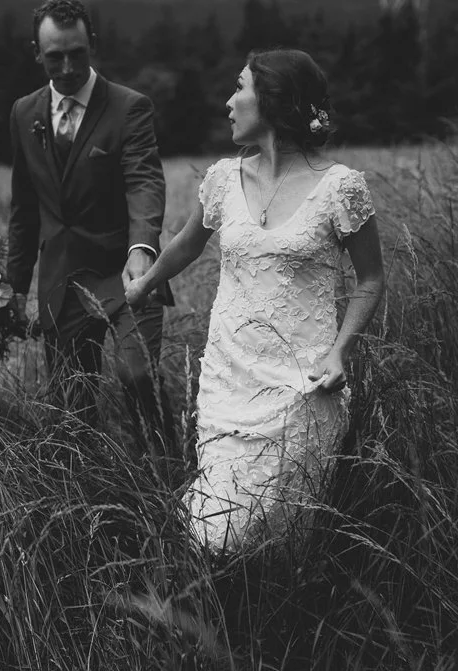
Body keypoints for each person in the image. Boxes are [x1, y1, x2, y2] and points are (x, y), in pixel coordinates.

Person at [126, 49, 385, 550]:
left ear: (271, 101)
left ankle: (285, 612)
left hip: (302, 390)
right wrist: (143, 283)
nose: (229, 102)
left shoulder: (341, 187)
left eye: (239, 87)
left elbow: (371, 280)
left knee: (272, 538)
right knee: (210, 535)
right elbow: (185, 243)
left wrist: (340, 352)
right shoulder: (223, 178)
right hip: (226, 382)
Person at [7, 0, 173, 444]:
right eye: (54, 56)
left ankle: (167, 471)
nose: (66, 68)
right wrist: (13, 288)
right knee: (72, 409)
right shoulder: (25, 113)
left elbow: (144, 181)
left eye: (76, 54)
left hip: (124, 271)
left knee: (138, 376)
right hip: (62, 281)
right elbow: (24, 207)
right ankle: (94, 496)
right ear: (37, 53)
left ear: (92, 44)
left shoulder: (129, 107)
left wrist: (142, 249)